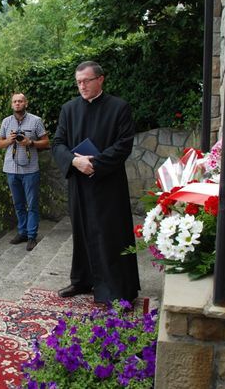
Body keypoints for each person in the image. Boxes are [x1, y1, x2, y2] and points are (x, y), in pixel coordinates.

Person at [51, 61, 140, 305]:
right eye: (78, 82)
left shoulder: (119, 107)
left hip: (108, 184)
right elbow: (58, 143)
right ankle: (82, 280)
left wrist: (96, 164)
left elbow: (124, 145)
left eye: (86, 81)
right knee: (81, 232)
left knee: (111, 234)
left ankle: (117, 288)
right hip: (79, 184)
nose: (82, 86)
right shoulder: (69, 109)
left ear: (100, 79)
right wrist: (74, 162)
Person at [0, 93, 49, 251]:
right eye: (14, 101)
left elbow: (46, 142)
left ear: (26, 103)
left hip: (30, 169)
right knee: (18, 203)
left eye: (20, 101)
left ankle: (32, 236)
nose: (17, 104)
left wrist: (29, 142)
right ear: (12, 104)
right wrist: (10, 140)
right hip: (11, 169)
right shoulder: (6, 121)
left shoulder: (36, 120)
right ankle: (22, 232)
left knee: (32, 204)